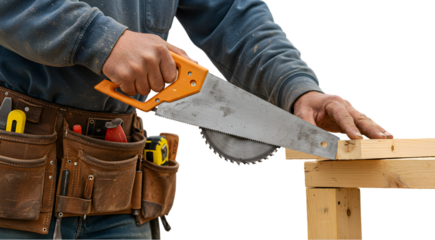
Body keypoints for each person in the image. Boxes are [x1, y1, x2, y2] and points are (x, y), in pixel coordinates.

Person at [0, 0, 395, 239]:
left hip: (117, 180)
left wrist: (299, 90)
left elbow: (232, 16)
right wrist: (100, 40)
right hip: (15, 179)